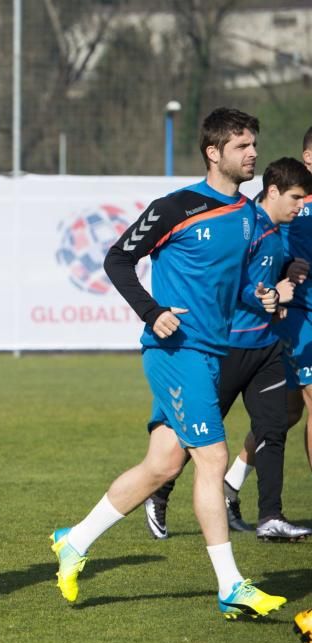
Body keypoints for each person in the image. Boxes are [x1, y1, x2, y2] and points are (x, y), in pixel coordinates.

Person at [50, 108, 287, 620]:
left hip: (209, 354)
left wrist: (260, 295)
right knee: (213, 460)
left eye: (254, 145)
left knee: (162, 465)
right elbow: (117, 258)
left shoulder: (247, 216)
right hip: (175, 352)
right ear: (213, 152)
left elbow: (237, 283)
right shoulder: (174, 207)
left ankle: (74, 540)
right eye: (242, 146)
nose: (253, 155)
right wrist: (152, 311)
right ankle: (231, 586)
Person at [143, 158, 312, 542]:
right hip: (230, 345)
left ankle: (270, 517)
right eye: (297, 198)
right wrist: (271, 294)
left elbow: (265, 269)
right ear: (273, 192)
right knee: (192, 439)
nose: (302, 206)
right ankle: (160, 492)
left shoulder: (275, 230)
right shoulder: (244, 224)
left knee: (272, 429)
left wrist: (287, 270)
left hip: (266, 346)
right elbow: (231, 283)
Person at [276, 126, 312, 475]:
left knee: (287, 412)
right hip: (299, 315)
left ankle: (229, 484)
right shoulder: (290, 203)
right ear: (308, 157)